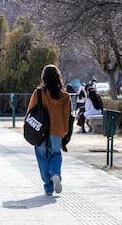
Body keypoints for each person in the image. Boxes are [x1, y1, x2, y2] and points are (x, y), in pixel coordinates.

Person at [25, 64, 72, 196]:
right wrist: (64, 132)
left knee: (42, 157)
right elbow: (68, 116)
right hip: (57, 132)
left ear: (43, 77)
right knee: (56, 155)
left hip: (40, 131)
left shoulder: (39, 93)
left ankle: (48, 186)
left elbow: (30, 111)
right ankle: (55, 174)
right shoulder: (65, 97)